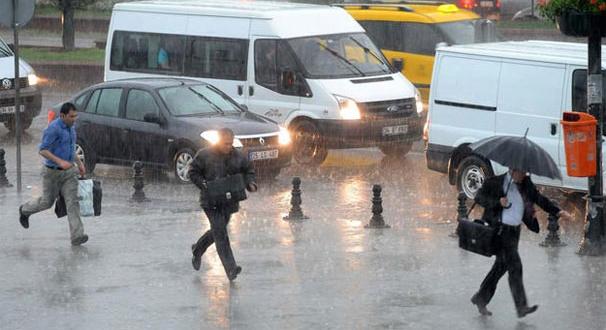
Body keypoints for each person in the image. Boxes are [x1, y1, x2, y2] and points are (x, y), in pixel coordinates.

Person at [471, 169, 572, 318]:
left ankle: (481, 298)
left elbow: (539, 198)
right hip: (499, 231)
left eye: (526, 171)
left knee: (501, 267)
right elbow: (479, 197)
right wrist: (498, 202)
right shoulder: (495, 182)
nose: (524, 174)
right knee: (515, 266)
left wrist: (557, 212)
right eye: (521, 171)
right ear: (512, 169)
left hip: (514, 232)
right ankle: (521, 306)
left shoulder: (526, 184)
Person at [189, 128, 257, 281]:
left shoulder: (238, 156)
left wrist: (250, 183)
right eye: (225, 144)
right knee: (220, 233)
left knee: (217, 230)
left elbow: (249, 170)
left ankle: (197, 249)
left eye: (230, 144)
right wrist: (203, 184)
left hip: (229, 202)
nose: (228, 147)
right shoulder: (204, 155)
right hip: (210, 201)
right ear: (218, 141)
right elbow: (192, 172)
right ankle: (231, 268)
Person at [18, 102, 88, 246]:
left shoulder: (71, 128)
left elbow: (71, 148)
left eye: (76, 116)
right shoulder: (53, 129)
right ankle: (24, 210)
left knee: (72, 203)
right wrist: (60, 161)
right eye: (71, 116)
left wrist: (80, 164)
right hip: (51, 173)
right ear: (62, 116)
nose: (74, 119)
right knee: (46, 202)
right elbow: (43, 150)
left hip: (69, 173)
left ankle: (77, 236)